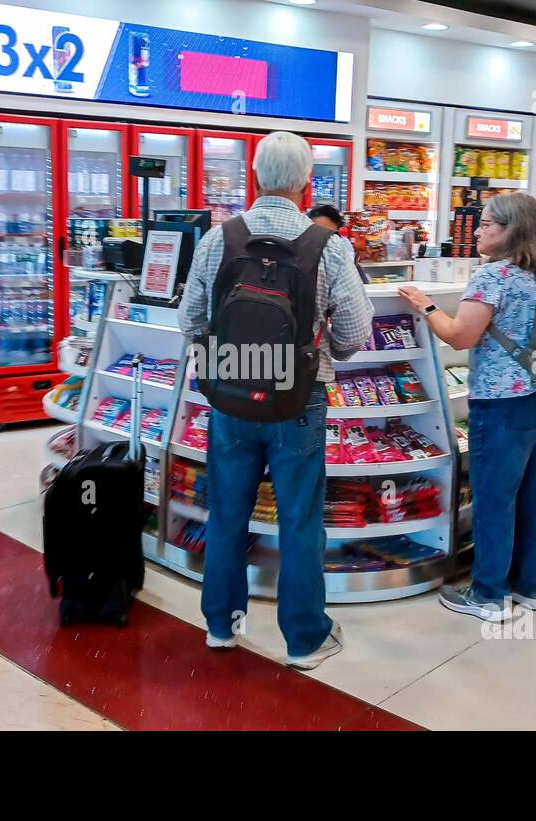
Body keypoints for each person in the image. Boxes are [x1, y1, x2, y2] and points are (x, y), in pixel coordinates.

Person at [181, 132, 373, 669]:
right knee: (300, 519)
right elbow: (355, 335)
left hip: (230, 393)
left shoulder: (219, 240)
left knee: (226, 513)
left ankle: (221, 625)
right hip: (298, 397)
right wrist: (322, 345)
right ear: (307, 181)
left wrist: (227, 351)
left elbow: (191, 320)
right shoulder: (329, 246)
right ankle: (304, 639)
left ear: (256, 176)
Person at [397, 192, 536, 622]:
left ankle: (489, 595)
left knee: (496, 500)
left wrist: (425, 307)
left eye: (485, 224)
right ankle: (531, 589)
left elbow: (461, 336)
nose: (477, 231)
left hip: (504, 403)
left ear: (509, 229)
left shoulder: (493, 276)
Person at [307, 203, 370, 284]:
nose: (321, 239)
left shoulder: (347, 264)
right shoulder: (299, 262)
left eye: (328, 235)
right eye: (316, 232)